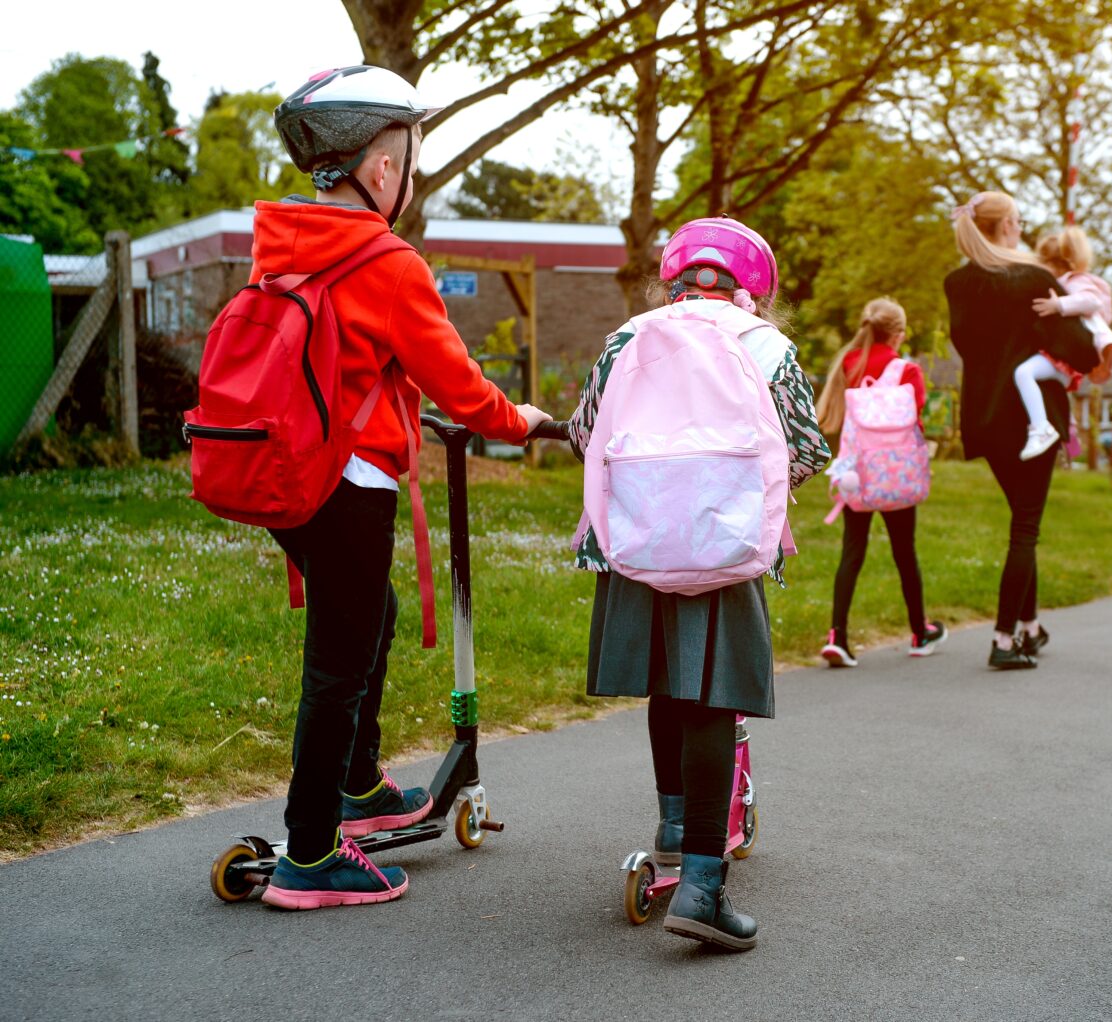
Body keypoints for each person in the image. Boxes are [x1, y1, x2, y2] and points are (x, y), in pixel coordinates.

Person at [256, 66, 550, 909]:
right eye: (409, 158)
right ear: (384, 172)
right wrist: (518, 420)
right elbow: (460, 389)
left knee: (369, 614)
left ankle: (360, 785)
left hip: (283, 475)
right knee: (338, 663)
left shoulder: (281, 245)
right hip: (346, 482)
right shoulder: (386, 263)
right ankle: (308, 857)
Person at [568, 218, 829, 951]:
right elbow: (806, 450)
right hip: (726, 545)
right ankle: (704, 887)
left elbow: (586, 432)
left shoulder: (628, 337)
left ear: (672, 277)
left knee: (666, 685)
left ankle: (677, 826)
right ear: (757, 288)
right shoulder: (769, 347)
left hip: (638, 544)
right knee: (715, 698)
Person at [943, 191, 1097, 669]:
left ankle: (1031, 626)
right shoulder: (1034, 279)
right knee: (1025, 528)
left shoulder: (958, 284)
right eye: (1019, 219)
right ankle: (1004, 639)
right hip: (1035, 422)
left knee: (1020, 519)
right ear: (1008, 225)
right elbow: (1084, 353)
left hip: (985, 419)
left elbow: (967, 346)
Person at [813, 297, 946, 667]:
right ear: (899, 334)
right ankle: (920, 631)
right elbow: (915, 422)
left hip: (857, 474)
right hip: (896, 476)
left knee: (851, 552)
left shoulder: (849, 364)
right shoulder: (908, 371)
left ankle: (837, 635)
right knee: (905, 552)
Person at [1016, 227, 1112, 460]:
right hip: (1065, 358)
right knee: (1056, 391)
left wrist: (1059, 305)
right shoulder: (1064, 283)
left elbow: (1092, 302)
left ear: (1053, 265)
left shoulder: (1073, 283)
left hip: (1066, 357)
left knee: (1023, 374)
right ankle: (1069, 433)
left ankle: (1041, 428)